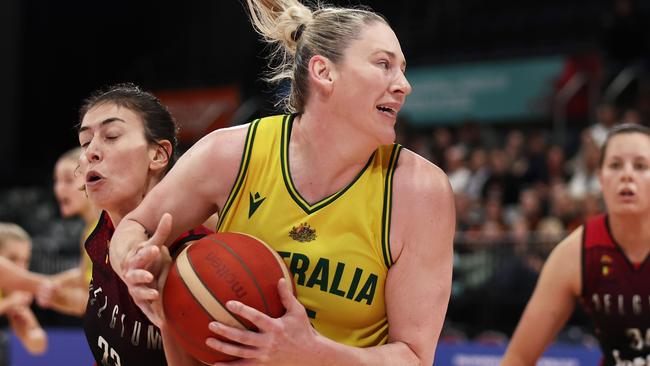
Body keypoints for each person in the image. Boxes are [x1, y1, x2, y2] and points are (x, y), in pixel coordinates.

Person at [110, 1, 455, 365]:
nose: (404, 86)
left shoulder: (419, 191)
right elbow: (136, 225)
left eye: (402, 69)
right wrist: (133, 262)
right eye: (384, 65)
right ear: (324, 72)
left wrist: (313, 353)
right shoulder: (232, 154)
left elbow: (414, 357)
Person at [76, 83, 212, 365]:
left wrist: (165, 311)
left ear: (158, 155)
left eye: (111, 136)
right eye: (85, 142)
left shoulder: (198, 258)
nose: (91, 153)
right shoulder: (102, 232)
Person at [502, 123, 650, 365]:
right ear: (601, 178)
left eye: (641, 166)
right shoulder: (575, 253)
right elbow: (517, 357)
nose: (626, 174)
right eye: (615, 165)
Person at [36, 147, 99, 316]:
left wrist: (54, 296)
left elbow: (101, 304)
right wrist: (52, 283)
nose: (59, 189)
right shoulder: (89, 230)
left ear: (94, 179)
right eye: (56, 181)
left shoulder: (110, 229)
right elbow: (83, 276)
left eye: (68, 180)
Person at [0, 222, 48, 356]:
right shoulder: (12, 298)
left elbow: (37, 346)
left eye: (25, 261)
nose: (20, 268)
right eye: (12, 258)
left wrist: (29, 326)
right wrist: (10, 302)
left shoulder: (12, 292)